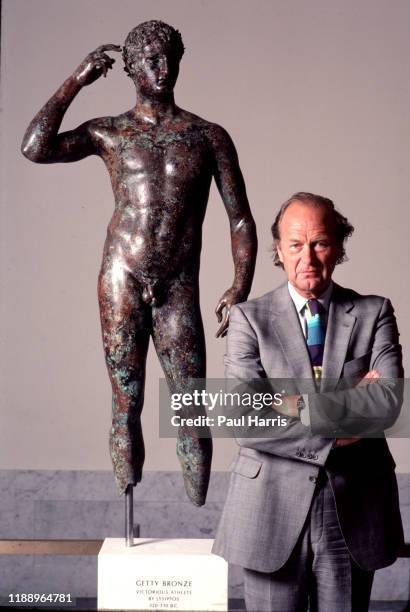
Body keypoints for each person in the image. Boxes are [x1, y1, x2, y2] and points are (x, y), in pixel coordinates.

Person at [21, 20, 257, 506]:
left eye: (169, 57)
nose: (163, 68)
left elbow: (240, 219)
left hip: (177, 286)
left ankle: (199, 524)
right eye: (150, 60)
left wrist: (240, 284)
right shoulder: (110, 132)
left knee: (190, 407)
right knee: (126, 403)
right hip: (121, 277)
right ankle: (129, 516)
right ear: (129, 68)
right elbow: (35, 147)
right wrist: (76, 80)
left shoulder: (207, 136)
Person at [212, 192, 404, 611]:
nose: (308, 257)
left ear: (338, 246)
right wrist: (341, 422)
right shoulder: (248, 319)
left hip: (353, 505)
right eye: (295, 244)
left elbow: (388, 404)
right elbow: (244, 420)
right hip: (269, 508)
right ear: (278, 250)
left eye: (319, 243)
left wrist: (290, 404)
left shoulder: (375, 313)